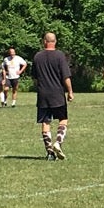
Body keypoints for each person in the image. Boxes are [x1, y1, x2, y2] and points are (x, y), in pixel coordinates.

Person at [31, 31, 73, 159]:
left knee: (45, 122)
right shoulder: (60, 56)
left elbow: (35, 77)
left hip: (43, 94)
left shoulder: (37, 56)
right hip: (57, 94)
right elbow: (66, 76)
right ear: (55, 42)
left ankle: (50, 152)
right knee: (63, 119)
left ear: (44, 41)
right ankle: (58, 142)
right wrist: (70, 91)